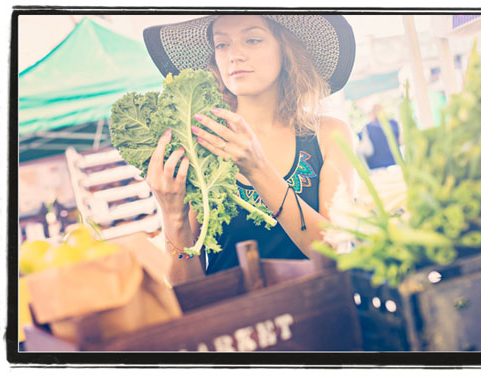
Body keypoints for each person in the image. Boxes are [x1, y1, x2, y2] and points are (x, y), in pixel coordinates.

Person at [142, 15, 357, 280]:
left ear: (287, 49)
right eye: (221, 45)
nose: (234, 55)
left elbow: (337, 249)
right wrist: (173, 217)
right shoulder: (201, 148)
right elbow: (188, 290)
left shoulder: (329, 135)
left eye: (252, 39)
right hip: (237, 319)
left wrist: (258, 169)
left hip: (322, 314)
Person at [357, 103, 400, 170]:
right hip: (395, 162)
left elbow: (360, 145)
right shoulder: (393, 124)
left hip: (375, 166)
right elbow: (399, 141)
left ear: (372, 113)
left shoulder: (367, 127)